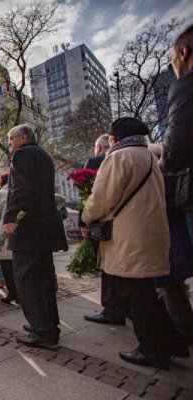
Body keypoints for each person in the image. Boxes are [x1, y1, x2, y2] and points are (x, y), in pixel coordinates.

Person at [83, 117, 189, 369]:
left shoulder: (118, 157)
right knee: (145, 292)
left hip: (129, 234)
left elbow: (101, 198)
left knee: (136, 295)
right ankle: (171, 342)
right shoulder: (151, 157)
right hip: (152, 231)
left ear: (115, 138)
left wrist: (86, 217)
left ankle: (152, 348)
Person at [3, 125, 67, 349]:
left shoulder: (22, 154)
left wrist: (10, 217)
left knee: (28, 280)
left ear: (22, 138)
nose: (9, 144)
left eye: (10, 139)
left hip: (29, 229)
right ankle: (48, 325)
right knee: (45, 280)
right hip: (45, 229)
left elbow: (20, 189)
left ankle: (42, 330)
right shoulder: (44, 155)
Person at [159, 24, 193, 344]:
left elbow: (174, 149)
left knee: (169, 271)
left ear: (183, 53)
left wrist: (165, 163)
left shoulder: (186, 85)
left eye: (172, 58)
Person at [81, 134, 129, 325]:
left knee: (107, 265)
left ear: (99, 148)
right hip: (127, 220)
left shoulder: (97, 161)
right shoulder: (141, 157)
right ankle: (127, 306)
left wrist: (84, 222)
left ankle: (112, 308)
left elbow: (91, 195)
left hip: (102, 222)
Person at [0, 171, 18, 304]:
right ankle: (19, 293)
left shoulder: (0, 193)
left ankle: (12, 292)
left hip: (5, 230)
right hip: (18, 231)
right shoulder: (18, 191)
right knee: (17, 265)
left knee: (6, 265)